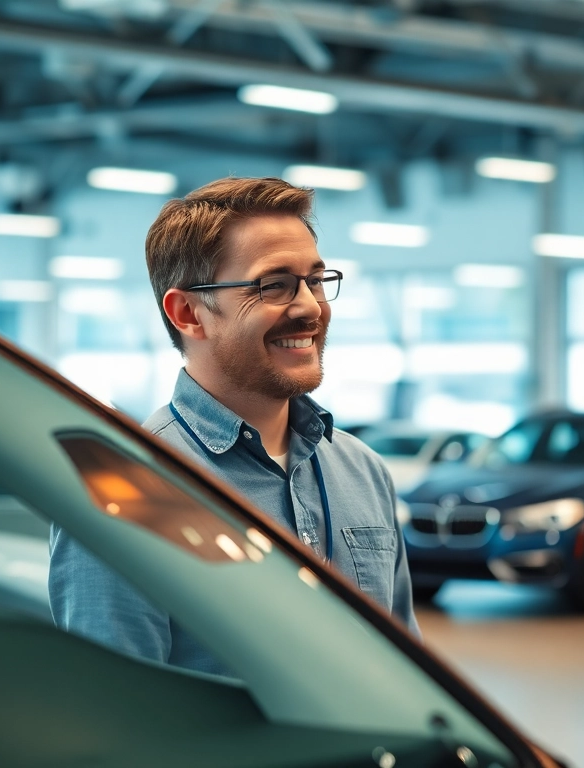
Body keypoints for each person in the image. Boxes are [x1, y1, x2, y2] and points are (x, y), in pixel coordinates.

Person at [49, 177, 418, 676]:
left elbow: (405, 670)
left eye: (315, 279)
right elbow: (118, 717)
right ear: (189, 313)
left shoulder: (361, 470)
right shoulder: (126, 491)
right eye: (274, 285)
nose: (310, 307)